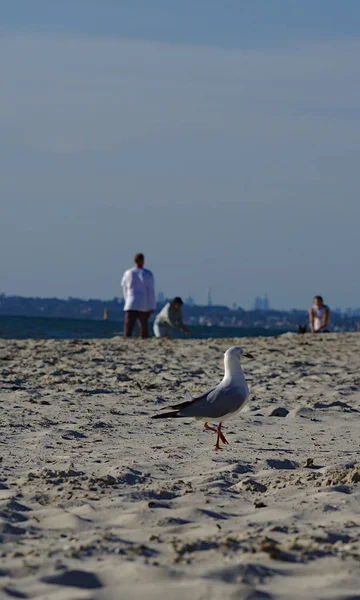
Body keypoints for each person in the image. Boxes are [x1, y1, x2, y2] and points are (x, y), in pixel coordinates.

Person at [121, 253, 156, 338]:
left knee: (129, 322)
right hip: (143, 302)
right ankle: (144, 337)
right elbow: (150, 290)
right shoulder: (147, 274)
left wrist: (126, 299)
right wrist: (152, 305)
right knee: (143, 323)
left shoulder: (128, 272)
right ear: (143, 261)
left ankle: (127, 336)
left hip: (131, 300)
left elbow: (124, 287)